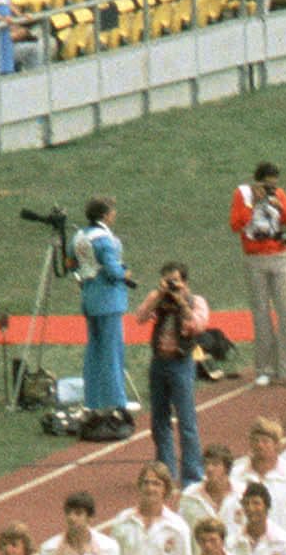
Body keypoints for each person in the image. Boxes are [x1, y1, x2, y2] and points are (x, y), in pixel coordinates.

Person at [230, 163, 286, 388]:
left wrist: (281, 207)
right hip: (254, 260)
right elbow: (236, 225)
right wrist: (252, 203)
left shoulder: (279, 195)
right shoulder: (242, 195)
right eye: (267, 185)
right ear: (257, 181)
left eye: (274, 185)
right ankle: (265, 369)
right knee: (261, 314)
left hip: (280, 258)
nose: (271, 189)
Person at [141, 262, 208, 484]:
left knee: (187, 422)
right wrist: (158, 296)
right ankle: (166, 474)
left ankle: (193, 476)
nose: (171, 285)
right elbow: (140, 317)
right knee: (159, 422)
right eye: (167, 280)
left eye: (175, 280)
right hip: (159, 363)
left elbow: (197, 326)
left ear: (185, 282)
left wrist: (181, 303)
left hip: (181, 364)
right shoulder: (159, 299)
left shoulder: (195, 301)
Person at [72, 195, 132, 417]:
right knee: (113, 352)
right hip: (108, 299)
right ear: (105, 215)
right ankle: (117, 401)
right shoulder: (104, 240)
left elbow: (71, 263)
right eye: (111, 211)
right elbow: (113, 270)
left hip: (89, 296)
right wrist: (124, 273)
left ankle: (93, 400)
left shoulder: (79, 236)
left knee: (94, 351)